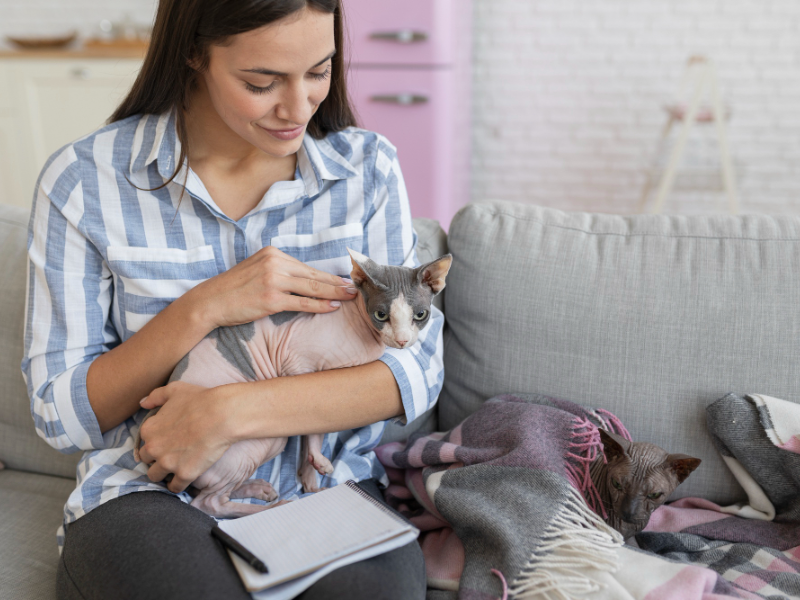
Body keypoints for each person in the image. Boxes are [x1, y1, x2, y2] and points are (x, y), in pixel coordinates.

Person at [21, 1, 444, 598]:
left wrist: (228, 413)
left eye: (319, 71)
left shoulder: (367, 171)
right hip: (153, 494)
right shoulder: (84, 182)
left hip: (330, 490)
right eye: (261, 82)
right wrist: (205, 307)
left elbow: (414, 372)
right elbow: (60, 415)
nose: (298, 108)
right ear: (194, 52)